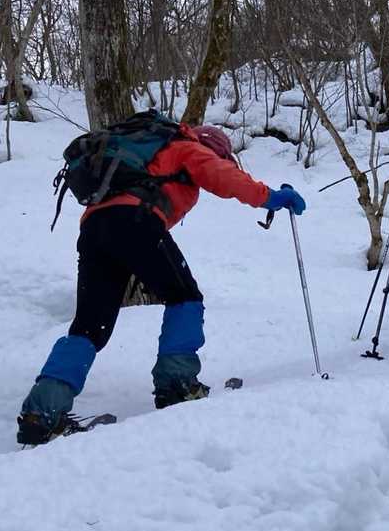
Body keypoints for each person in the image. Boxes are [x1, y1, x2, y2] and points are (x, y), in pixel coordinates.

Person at [17, 119, 305, 445]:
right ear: (217, 151)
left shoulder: (150, 153)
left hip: (94, 228)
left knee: (89, 326)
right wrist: (271, 197)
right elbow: (223, 178)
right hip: (135, 220)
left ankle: (42, 413)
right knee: (185, 297)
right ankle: (177, 385)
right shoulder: (188, 147)